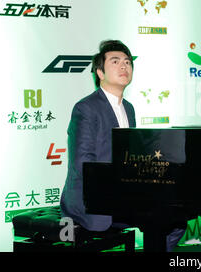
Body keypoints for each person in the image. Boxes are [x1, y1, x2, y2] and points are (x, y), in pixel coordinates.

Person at [60, 40, 185, 251]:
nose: (124, 66)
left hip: (121, 195)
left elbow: (130, 158)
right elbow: (83, 163)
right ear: (100, 72)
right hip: (90, 199)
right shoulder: (86, 108)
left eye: (127, 62)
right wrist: (119, 189)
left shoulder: (129, 108)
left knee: (176, 218)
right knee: (159, 219)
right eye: (115, 62)